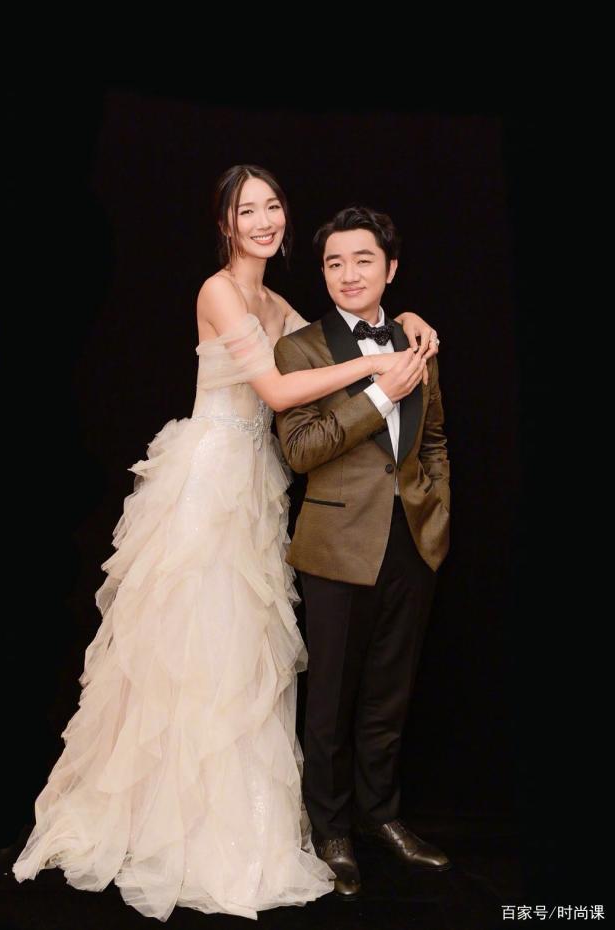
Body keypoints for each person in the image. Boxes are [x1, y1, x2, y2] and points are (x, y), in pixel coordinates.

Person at [12, 166, 439, 921]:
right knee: (189, 647)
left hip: (257, 487)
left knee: (244, 652)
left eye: (273, 206)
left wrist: (403, 317)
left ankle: (239, 817)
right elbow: (277, 391)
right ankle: (166, 819)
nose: (264, 220)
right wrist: (379, 364)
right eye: (248, 211)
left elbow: (337, 329)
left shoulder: (277, 302)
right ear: (225, 223)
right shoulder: (220, 291)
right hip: (210, 482)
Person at [274, 205, 450, 898]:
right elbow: (300, 450)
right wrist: (379, 395)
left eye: (363, 260)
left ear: (390, 269)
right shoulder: (299, 348)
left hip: (413, 541)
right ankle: (332, 829)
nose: (348, 274)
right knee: (329, 701)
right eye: (334, 262)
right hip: (335, 546)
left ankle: (382, 815)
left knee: (389, 693)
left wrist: (435, 511)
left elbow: (433, 439)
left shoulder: (416, 340)